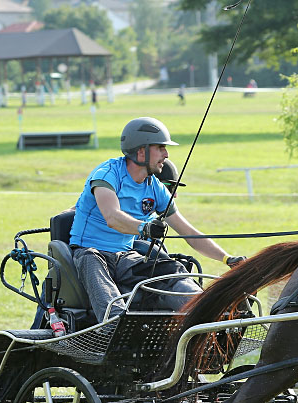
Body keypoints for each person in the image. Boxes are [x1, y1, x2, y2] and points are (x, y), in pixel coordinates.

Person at [69, 116, 241, 323]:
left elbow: (188, 233)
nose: (166, 155)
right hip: (89, 251)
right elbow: (112, 217)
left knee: (170, 270)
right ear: (141, 151)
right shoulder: (107, 175)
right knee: (91, 262)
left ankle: (205, 315)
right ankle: (115, 325)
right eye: (160, 148)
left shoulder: (155, 187)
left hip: (125, 257)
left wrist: (227, 258)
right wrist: (145, 228)